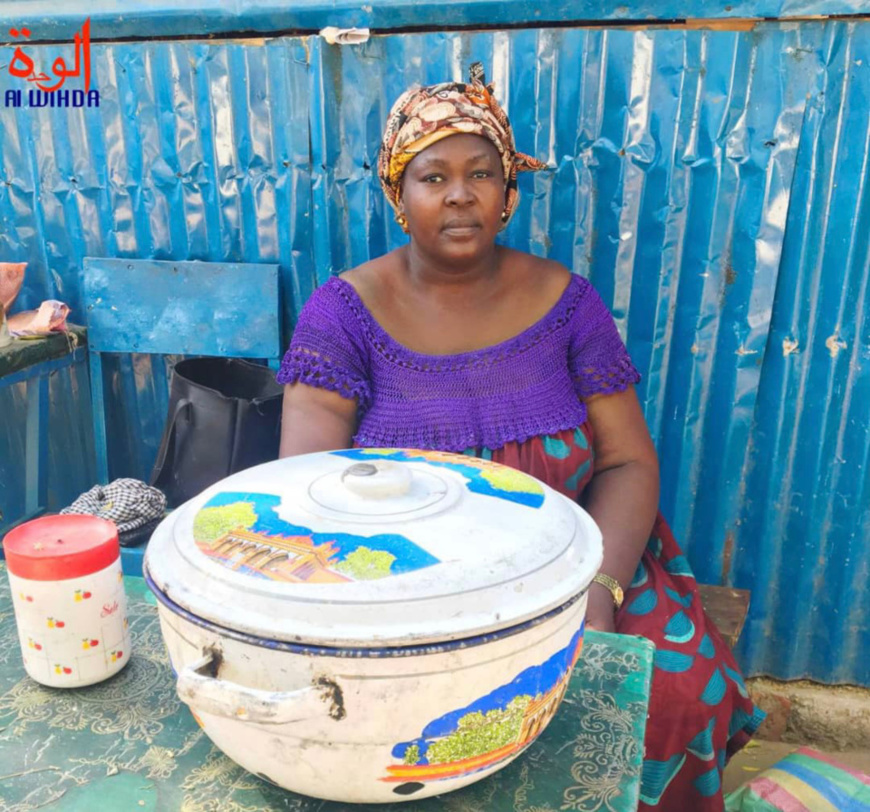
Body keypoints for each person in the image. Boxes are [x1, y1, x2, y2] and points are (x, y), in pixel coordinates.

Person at [276, 65, 764, 811]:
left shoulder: (566, 305)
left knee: (670, 695)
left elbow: (628, 460)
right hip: (403, 593)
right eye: (432, 176)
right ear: (399, 197)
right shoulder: (344, 315)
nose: (461, 194)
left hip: (577, 566)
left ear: (508, 194)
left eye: (482, 173)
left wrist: (599, 590)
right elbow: (304, 488)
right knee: (416, 736)